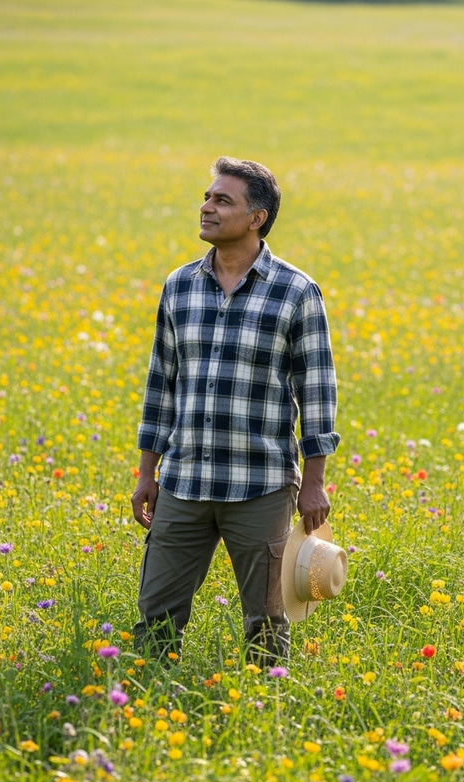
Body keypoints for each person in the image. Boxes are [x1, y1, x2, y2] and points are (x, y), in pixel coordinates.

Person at [130, 156, 340, 667]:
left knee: (267, 620)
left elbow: (318, 393)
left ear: (256, 218)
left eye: (223, 200)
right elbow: (161, 386)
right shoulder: (178, 286)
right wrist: (146, 474)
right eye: (207, 197)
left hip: (261, 485)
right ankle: (142, 700)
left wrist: (313, 483)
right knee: (155, 613)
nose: (207, 207)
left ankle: (266, 709)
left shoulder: (296, 291)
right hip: (184, 481)